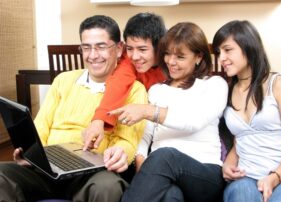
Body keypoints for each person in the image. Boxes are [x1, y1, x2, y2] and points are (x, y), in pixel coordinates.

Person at [0, 15, 147, 202]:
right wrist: (29, 155)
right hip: (47, 168)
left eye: (101, 46)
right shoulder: (63, 80)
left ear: (119, 49)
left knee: (108, 187)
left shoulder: (134, 89)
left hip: (92, 174)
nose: (92, 55)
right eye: (86, 47)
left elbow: (128, 140)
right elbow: (41, 127)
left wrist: (121, 152)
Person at [114, 22, 228, 202]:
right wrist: (141, 161)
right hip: (164, 173)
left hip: (204, 175)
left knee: (165, 155)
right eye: (167, 54)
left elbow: (194, 121)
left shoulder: (214, 85)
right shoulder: (157, 90)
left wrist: (148, 111)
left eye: (180, 57)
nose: (171, 62)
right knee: (170, 195)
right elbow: (146, 135)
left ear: (198, 57)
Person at [212, 20, 281, 202]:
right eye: (218, 52)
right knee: (241, 196)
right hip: (246, 176)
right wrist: (228, 164)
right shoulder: (226, 91)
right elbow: (241, 139)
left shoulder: (278, 84)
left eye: (228, 50)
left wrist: (274, 177)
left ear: (248, 46)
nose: (221, 58)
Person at [82, 12, 167, 151]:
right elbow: (118, 83)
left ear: (159, 47)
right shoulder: (128, 62)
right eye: (129, 48)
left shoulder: (171, 62)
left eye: (142, 49)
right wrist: (98, 120)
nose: (135, 56)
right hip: (141, 131)